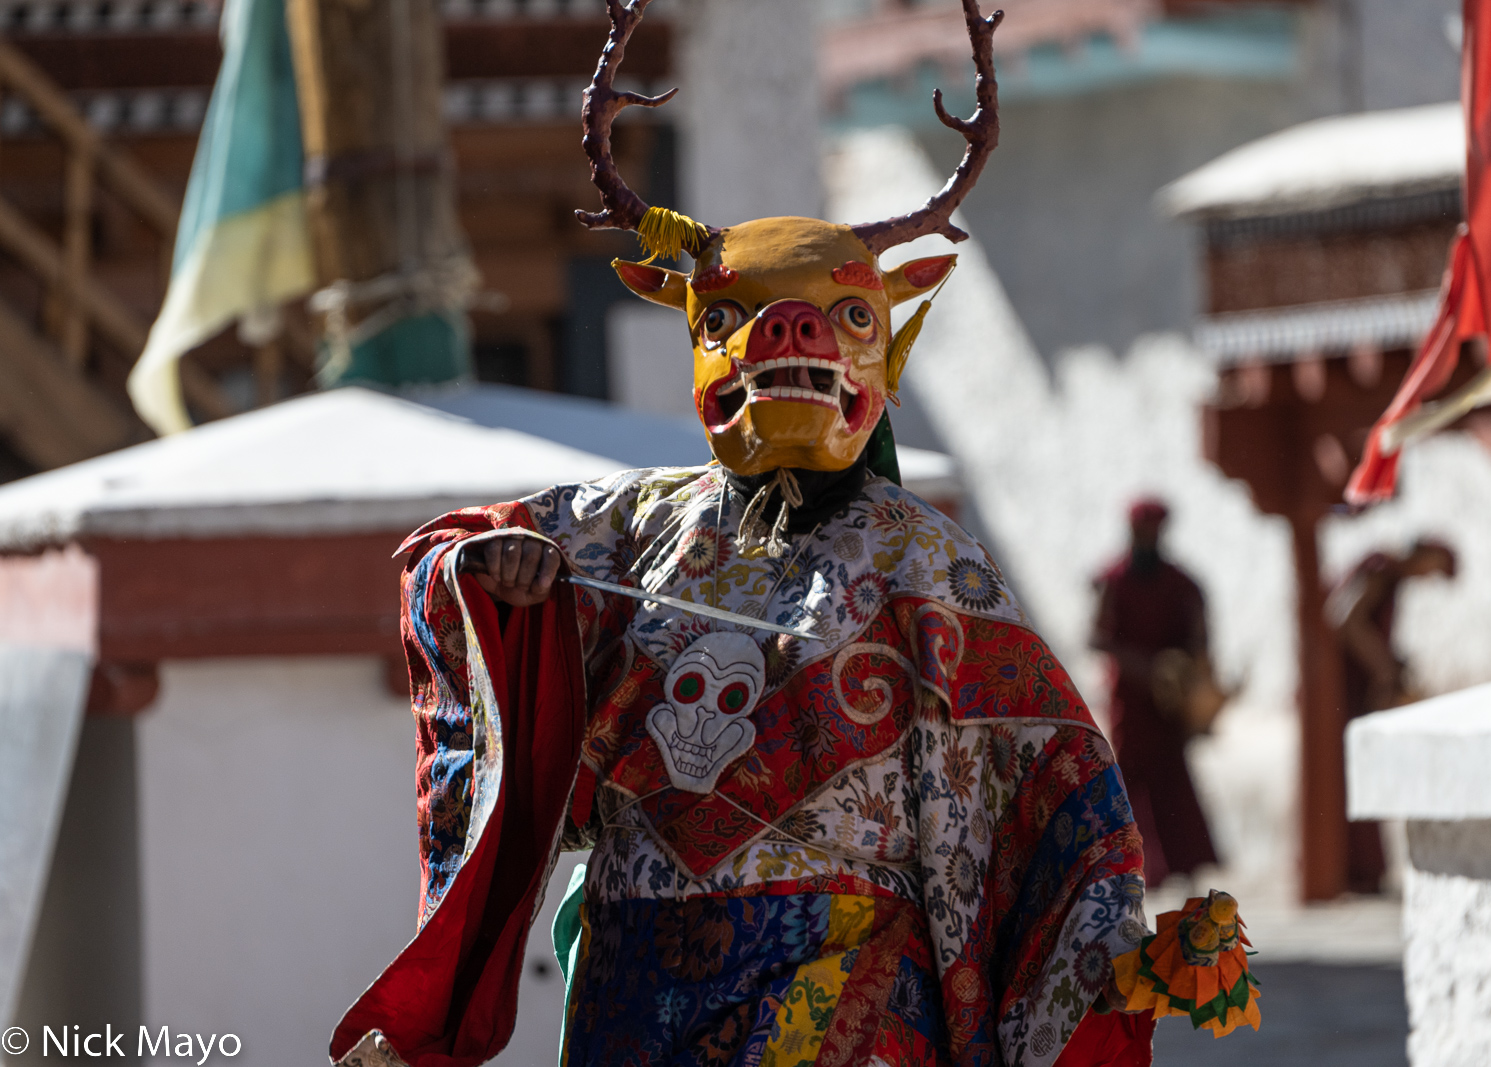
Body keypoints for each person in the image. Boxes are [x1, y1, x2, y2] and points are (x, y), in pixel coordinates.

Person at [327, 4, 1258, 1064]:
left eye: (843, 320)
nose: (787, 342)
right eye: (729, 322)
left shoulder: (926, 560)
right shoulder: (628, 528)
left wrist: (1106, 950)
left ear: (886, 352)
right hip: (645, 977)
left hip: (853, 980)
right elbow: (445, 568)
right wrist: (496, 575)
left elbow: (1047, 770)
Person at [1091, 499, 1220, 890]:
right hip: (1130, 698)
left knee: (1172, 774)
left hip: (1169, 703)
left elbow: (1199, 632)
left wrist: (1187, 674)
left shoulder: (1181, 582)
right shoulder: (1113, 580)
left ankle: (1181, 862)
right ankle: (1131, 860)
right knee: (1129, 776)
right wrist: (1148, 668)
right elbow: (1097, 637)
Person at [1328, 538, 1457, 893]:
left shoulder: (1392, 578)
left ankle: (1364, 870)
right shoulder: (1380, 570)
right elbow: (1348, 621)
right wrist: (1383, 667)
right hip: (1343, 689)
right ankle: (1351, 870)